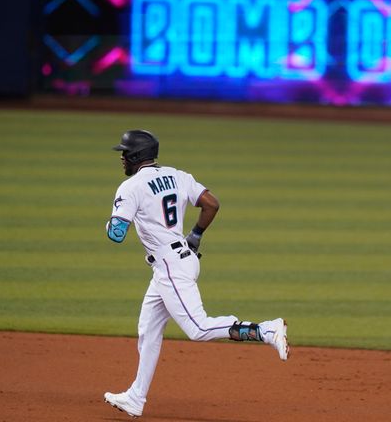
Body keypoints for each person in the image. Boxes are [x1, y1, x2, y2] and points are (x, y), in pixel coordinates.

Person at [103, 129, 289, 418]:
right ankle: (136, 397)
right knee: (148, 329)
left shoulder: (131, 187)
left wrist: (111, 222)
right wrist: (196, 234)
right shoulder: (178, 176)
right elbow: (211, 203)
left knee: (198, 328)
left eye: (125, 154)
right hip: (183, 258)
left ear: (137, 156)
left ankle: (266, 329)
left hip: (169, 266)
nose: (122, 159)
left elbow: (116, 234)